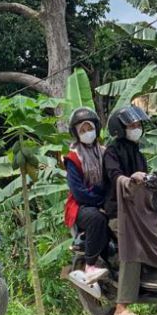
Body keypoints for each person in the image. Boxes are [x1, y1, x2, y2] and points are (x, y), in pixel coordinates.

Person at [101, 106, 157, 315]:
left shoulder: (139, 154)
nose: (136, 128)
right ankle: (121, 307)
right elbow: (114, 176)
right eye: (131, 125)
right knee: (133, 246)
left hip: (140, 211)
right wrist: (129, 179)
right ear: (120, 129)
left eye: (138, 125)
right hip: (119, 212)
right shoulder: (112, 152)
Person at [63, 108, 109, 286]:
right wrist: (100, 202)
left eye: (89, 128)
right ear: (76, 133)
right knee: (97, 218)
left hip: (103, 200)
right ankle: (90, 266)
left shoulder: (105, 152)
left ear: (96, 128)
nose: (87, 132)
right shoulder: (73, 158)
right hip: (81, 206)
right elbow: (78, 192)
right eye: (82, 130)